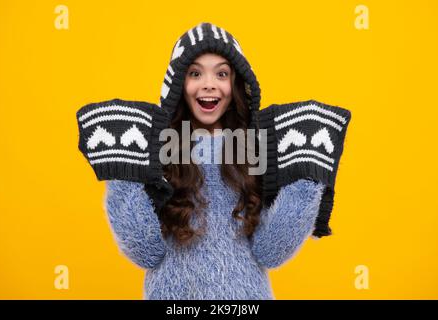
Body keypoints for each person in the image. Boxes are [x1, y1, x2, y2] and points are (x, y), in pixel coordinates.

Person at [76, 22, 351, 299]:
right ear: (178, 83)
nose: (209, 84)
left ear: (235, 83)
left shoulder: (255, 148)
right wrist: (123, 171)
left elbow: (271, 252)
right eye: (195, 72)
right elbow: (145, 252)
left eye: (221, 73)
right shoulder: (154, 149)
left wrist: (305, 177)